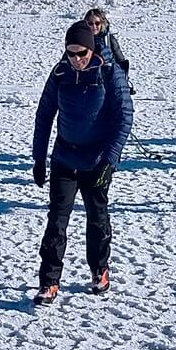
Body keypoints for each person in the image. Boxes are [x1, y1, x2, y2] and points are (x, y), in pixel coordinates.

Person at [32, 19, 134, 303]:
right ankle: (49, 281)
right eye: (71, 53)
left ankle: (99, 269)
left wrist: (110, 160)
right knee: (56, 221)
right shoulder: (60, 73)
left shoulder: (109, 73)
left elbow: (124, 118)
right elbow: (44, 117)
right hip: (65, 157)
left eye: (81, 54)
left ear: (91, 50)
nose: (76, 60)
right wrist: (39, 159)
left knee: (97, 219)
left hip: (96, 160)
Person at [84, 6, 132, 90]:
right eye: (90, 23)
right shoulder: (80, 39)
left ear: (102, 23)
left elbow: (121, 62)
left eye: (97, 23)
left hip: (108, 82)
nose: (94, 26)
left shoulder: (109, 40)